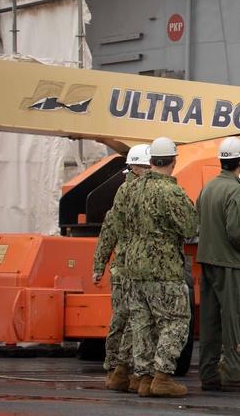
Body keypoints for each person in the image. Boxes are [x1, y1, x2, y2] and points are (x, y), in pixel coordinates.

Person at [111, 136, 199, 398]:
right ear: (173, 161)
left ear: (151, 161)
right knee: (176, 321)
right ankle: (161, 377)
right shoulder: (171, 192)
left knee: (142, 323)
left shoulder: (132, 189)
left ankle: (144, 378)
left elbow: (117, 224)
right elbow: (191, 227)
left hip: (133, 268)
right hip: (163, 269)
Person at [196, 137, 240, 392]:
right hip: (232, 265)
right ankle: (236, 375)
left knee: (210, 322)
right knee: (239, 322)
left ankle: (209, 373)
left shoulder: (208, 188)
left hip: (208, 261)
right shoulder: (236, 191)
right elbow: (236, 231)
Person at [93, 143, 150, 393]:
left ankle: (118, 371)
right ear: (135, 167)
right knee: (129, 322)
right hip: (132, 269)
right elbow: (110, 231)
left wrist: (99, 265)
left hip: (125, 268)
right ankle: (121, 371)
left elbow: (108, 230)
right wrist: (99, 264)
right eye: (145, 167)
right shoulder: (133, 193)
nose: (149, 171)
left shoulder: (124, 193)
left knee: (124, 321)